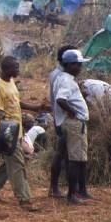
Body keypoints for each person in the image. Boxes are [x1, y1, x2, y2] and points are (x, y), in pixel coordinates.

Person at [0, 56, 43, 211]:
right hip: (7, 133)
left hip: (16, 130)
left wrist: (35, 107)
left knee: (10, 163)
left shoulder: (11, 82)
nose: (18, 70)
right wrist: (7, 123)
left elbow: (16, 102)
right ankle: (24, 199)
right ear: (6, 69)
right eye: (16, 68)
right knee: (18, 164)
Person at [55, 49, 92, 204]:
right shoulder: (67, 81)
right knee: (75, 160)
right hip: (75, 124)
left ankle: (81, 191)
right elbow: (60, 99)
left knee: (80, 159)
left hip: (77, 124)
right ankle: (72, 195)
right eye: (78, 65)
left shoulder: (66, 78)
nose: (80, 68)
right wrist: (73, 112)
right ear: (70, 65)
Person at [48, 45, 77, 198]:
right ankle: (54, 188)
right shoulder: (59, 75)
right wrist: (71, 111)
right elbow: (59, 99)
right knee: (60, 153)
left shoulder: (57, 73)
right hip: (62, 118)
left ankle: (58, 187)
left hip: (60, 117)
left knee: (63, 153)